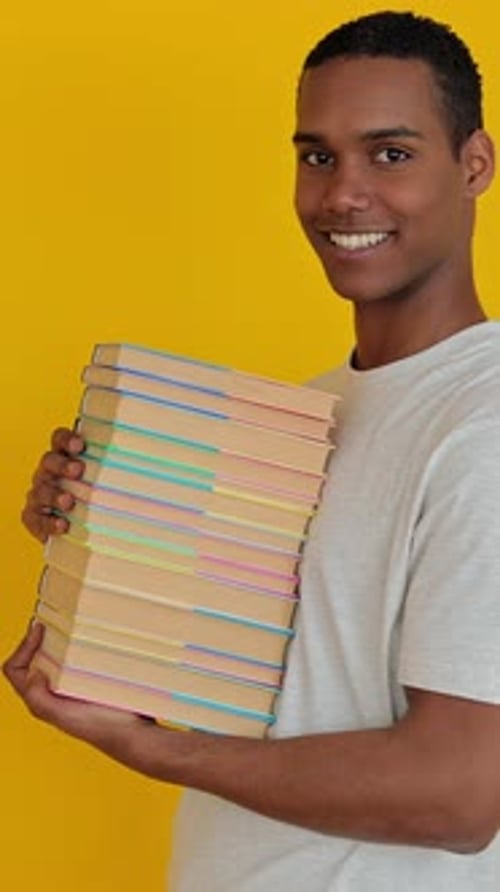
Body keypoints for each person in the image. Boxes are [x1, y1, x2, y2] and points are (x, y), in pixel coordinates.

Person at [4, 9, 500, 890]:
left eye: (391, 153)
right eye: (318, 156)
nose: (344, 192)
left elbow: (463, 793)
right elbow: (275, 670)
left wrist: (158, 754)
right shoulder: (310, 412)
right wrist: (100, 534)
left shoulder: (485, 423)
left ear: (475, 165)